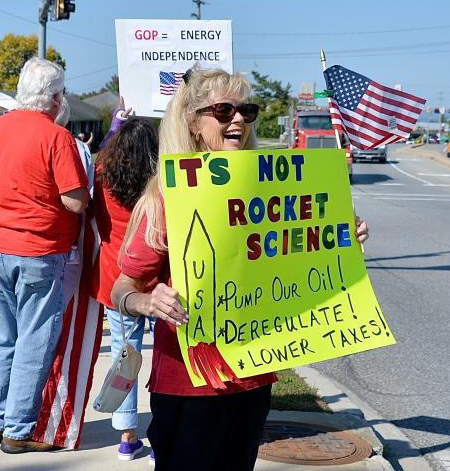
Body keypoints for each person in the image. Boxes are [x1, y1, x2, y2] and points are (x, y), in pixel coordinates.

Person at [110, 67, 370, 470]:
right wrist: (147, 301)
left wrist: (338, 240)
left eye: (246, 111)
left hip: (252, 376)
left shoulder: (270, 189)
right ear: (194, 123)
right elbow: (121, 289)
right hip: (188, 381)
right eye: (223, 110)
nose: (237, 120)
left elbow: (294, 272)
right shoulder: (167, 196)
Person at [0, 57, 90, 454]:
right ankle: (19, 430)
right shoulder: (56, 137)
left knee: (5, 338)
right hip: (41, 252)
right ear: (55, 98)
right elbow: (74, 202)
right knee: (34, 341)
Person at [88, 112, 159, 462]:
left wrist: (115, 123)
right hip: (161, 282)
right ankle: (163, 435)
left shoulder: (102, 176)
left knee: (124, 356)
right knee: (167, 361)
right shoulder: (163, 184)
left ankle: (127, 435)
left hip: (117, 279)